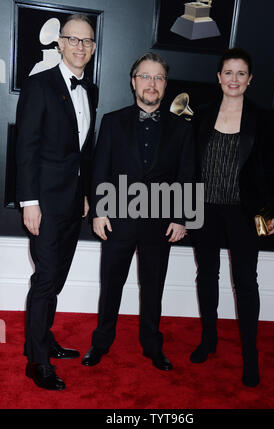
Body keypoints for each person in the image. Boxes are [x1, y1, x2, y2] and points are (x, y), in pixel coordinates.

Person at [82, 52, 194, 371]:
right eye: (145, 76)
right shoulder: (113, 121)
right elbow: (100, 168)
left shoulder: (182, 128)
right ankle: (100, 343)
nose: (151, 83)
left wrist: (182, 218)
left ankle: (152, 347)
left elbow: (188, 172)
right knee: (111, 285)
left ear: (165, 85)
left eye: (158, 78)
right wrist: (99, 213)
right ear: (133, 82)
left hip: (160, 221)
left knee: (153, 287)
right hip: (118, 217)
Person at [189, 48, 274, 387]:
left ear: (250, 79)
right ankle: (209, 338)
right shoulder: (201, 115)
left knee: (246, 282)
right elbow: (190, 165)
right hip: (205, 210)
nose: (233, 79)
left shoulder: (263, 118)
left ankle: (250, 355)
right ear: (218, 77)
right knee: (207, 275)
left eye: (240, 73)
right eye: (228, 72)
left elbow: (273, 169)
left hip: (245, 212)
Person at [15, 14, 98, 390]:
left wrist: (84, 195)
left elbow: (82, 152)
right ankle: (37, 362)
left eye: (88, 41)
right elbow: (26, 148)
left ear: (93, 48)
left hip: (71, 203)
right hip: (44, 203)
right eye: (74, 39)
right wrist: (29, 201)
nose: (81, 47)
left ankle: (43, 338)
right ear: (60, 43)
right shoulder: (39, 85)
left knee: (57, 277)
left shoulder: (89, 90)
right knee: (46, 279)